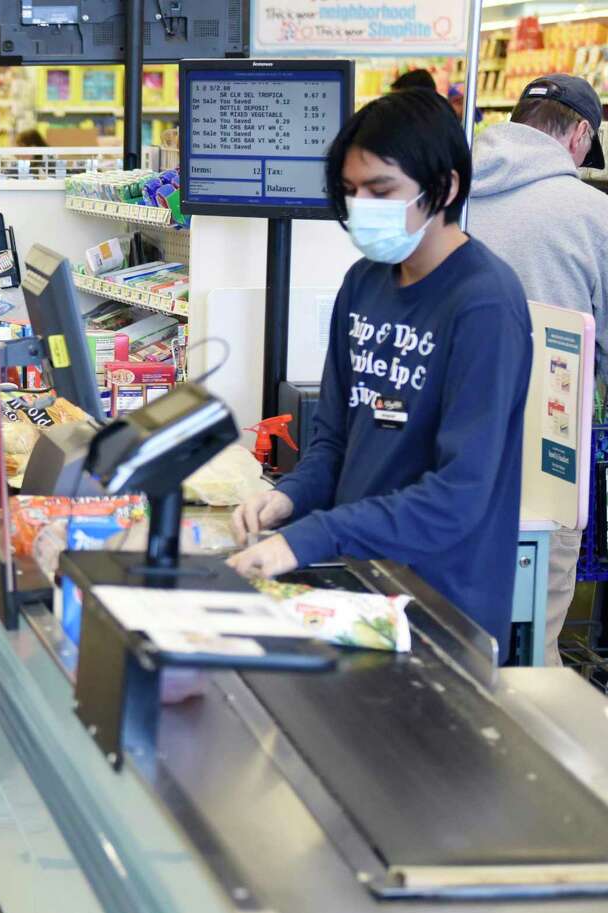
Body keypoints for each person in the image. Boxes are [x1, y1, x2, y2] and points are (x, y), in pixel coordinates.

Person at [228, 89, 533, 660]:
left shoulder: (485, 304)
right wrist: (289, 500)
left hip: (441, 609)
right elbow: (334, 442)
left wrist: (312, 536)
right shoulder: (364, 284)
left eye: (381, 190)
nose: (362, 206)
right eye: (351, 192)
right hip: (360, 585)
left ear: (444, 188)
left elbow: (458, 496)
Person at [468, 74, 608, 665]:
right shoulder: (592, 213)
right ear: (579, 133)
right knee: (531, 650)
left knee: (446, 631)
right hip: (544, 463)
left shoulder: (448, 191)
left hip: (443, 456)